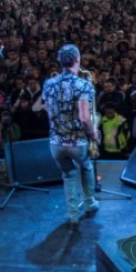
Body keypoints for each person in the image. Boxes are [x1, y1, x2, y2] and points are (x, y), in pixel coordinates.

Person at [42, 44, 100, 229]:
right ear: (77, 60)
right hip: (77, 142)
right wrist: (93, 133)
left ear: (60, 62)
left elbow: (47, 109)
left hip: (56, 142)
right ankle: (90, 202)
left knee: (68, 175)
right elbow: (84, 117)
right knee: (86, 166)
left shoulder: (48, 83)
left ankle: (73, 215)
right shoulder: (83, 85)